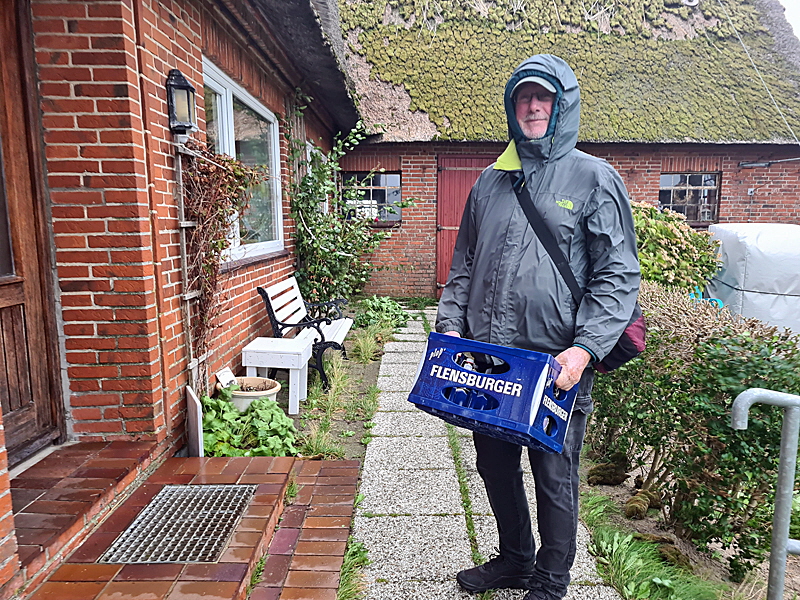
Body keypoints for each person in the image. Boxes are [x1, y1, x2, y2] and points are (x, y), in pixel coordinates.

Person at [435, 54, 641, 600]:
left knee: (554, 474)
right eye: (524, 97)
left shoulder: (595, 178)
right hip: (489, 360)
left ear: (562, 106)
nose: (532, 106)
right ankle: (516, 560)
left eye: (543, 98)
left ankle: (551, 580)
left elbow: (618, 275)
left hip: (557, 363)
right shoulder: (490, 181)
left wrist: (584, 350)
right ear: (512, 106)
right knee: (493, 465)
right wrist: (451, 328)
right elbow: (463, 264)